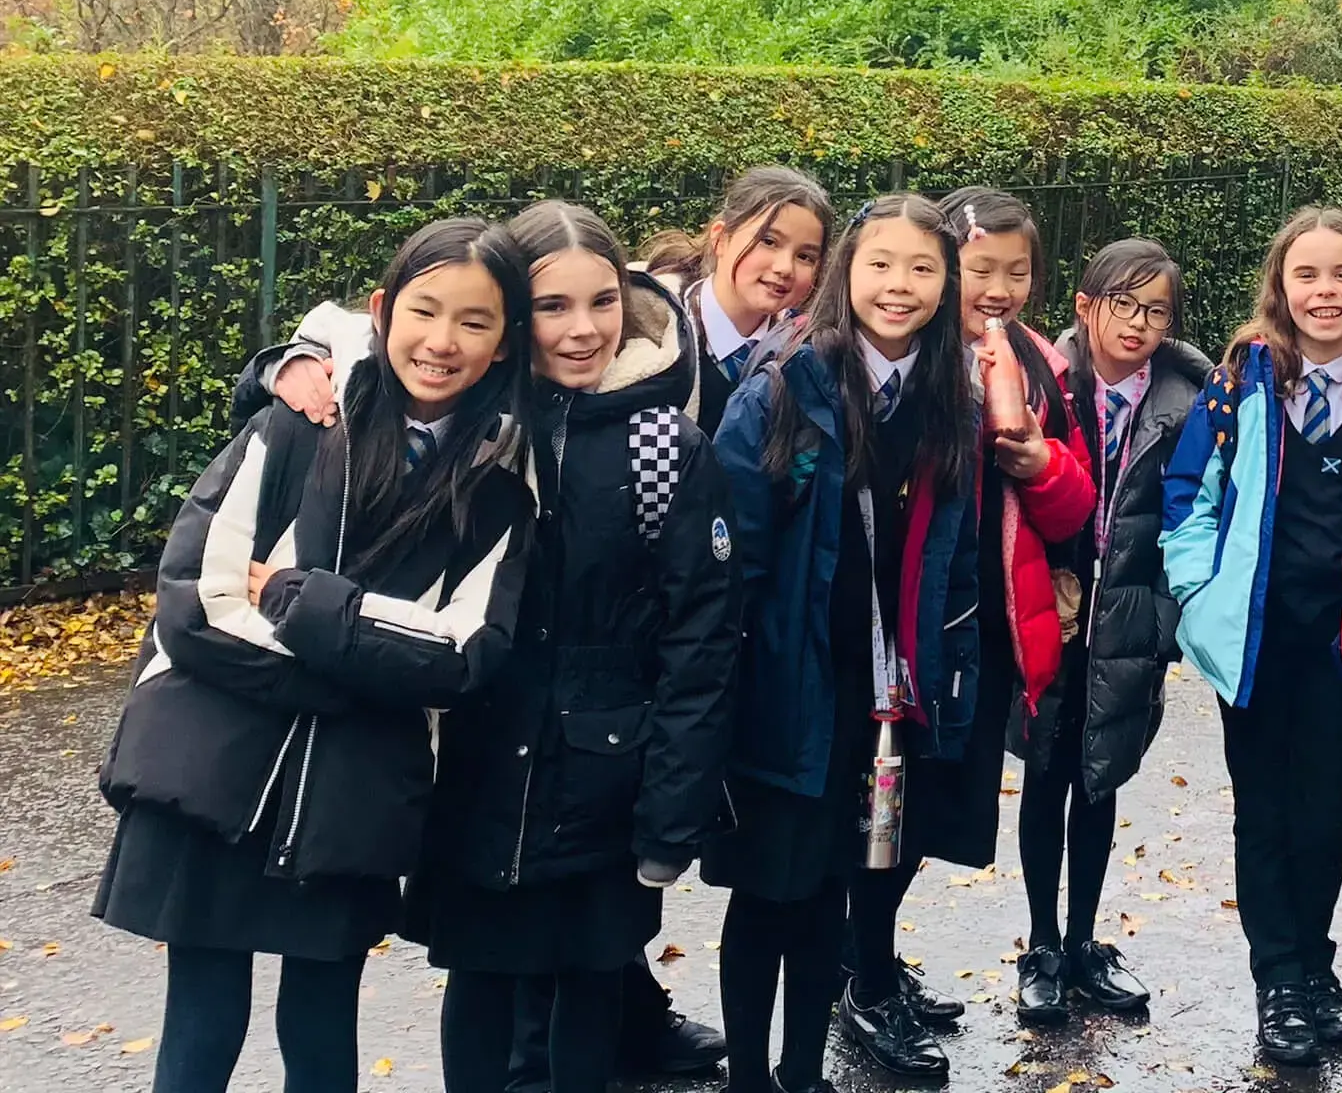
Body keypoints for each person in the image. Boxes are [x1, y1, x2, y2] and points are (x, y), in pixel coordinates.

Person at [240, 205, 739, 1093]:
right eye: (552, 306)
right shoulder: (469, 417)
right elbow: (360, 360)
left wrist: (674, 809)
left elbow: (699, 640)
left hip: (606, 774)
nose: (582, 329)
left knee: (588, 1001)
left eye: (602, 302)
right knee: (480, 992)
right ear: (514, 320)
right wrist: (284, 365)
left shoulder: (665, 444)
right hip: (475, 759)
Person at [96, 218, 538, 1093]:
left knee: (323, 1023)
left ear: (504, 343)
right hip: (215, 768)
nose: (442, 342)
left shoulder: (500, 484)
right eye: (424, 310)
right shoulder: (300, 425)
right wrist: (362, 673)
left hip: (356, 795)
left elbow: (463, 655)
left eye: (475, 322)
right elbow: (197, 602)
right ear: (382, 310)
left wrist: (309, 608)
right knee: (200, 1017)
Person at [1160, 206, 1342, 1067]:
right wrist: (1199, 588)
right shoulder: (1238, 382)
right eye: (1307, 275)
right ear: (1281, 287)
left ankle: (1316, 964)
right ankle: (1278, 977)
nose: (1325, 292)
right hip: (1253, 640)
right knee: (1265, 812)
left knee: (1323, 814)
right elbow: (1190, 496)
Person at [706, 194, 982, 1093]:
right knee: (767, 893)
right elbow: (728, 558)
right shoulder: (783, 387)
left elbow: (957, 555)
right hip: (788, 691)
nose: (898, 286)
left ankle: (801, 1072)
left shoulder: (950, 403)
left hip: (883, 699)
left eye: (922, 269)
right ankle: (750, 1076)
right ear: (846, 275)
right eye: (879, 265)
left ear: (946, 285)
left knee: (836, 888)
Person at [917, 185, 1099, 1052]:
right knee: (895, 793)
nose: (998, 286)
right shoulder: (908, 353)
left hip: (993, 613)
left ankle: (869, 961)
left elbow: (1074, 510)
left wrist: (1039, 465)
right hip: (920, 614)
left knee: (940, 797)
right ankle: (860, 962)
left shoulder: (1038, 363)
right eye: (979, 267)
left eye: (1017, 270)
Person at [1013, 239, 1208, 1024]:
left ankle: (1087, 941)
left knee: (1100, 779)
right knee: (1045, 772)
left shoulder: (1190, 400)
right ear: (1086, 304)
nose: (1137, 323)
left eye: (1155, 309)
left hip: (1126, 616)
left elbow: (1193, 514)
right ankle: (1041, 942)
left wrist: (1163, 621)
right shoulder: (1040, 381)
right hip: (1050, 609)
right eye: (1122, 303)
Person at [642, 167, 837, 425]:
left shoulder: (805, 353)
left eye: (805, 257)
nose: (784, 267)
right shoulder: (651, 329)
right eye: (768, 241)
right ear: (721, 238)